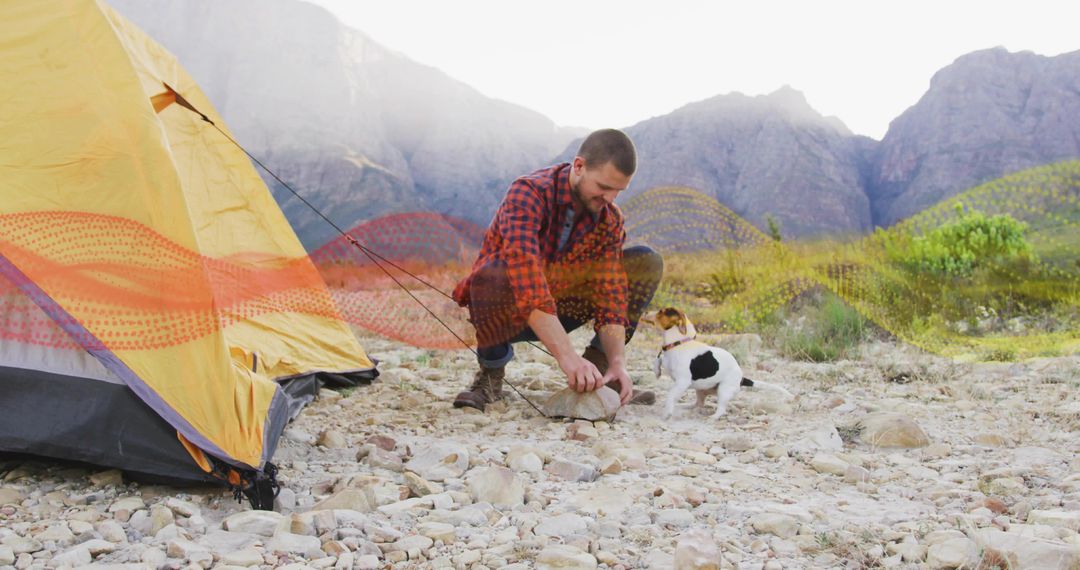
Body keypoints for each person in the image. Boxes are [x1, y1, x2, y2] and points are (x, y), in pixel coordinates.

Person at [451, 128, 663, 412]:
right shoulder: (528, 193)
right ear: (578, 166)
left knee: (645, 261)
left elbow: (612, 295)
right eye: (603, 187)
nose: (610, 199)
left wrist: (618, 362)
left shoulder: (609, 218)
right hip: (509, 312)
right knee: (490, 273)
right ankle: (490, 377)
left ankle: (602, 374)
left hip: (565, 309)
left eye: (618, 191)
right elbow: (528, 283)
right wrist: (567, 358)